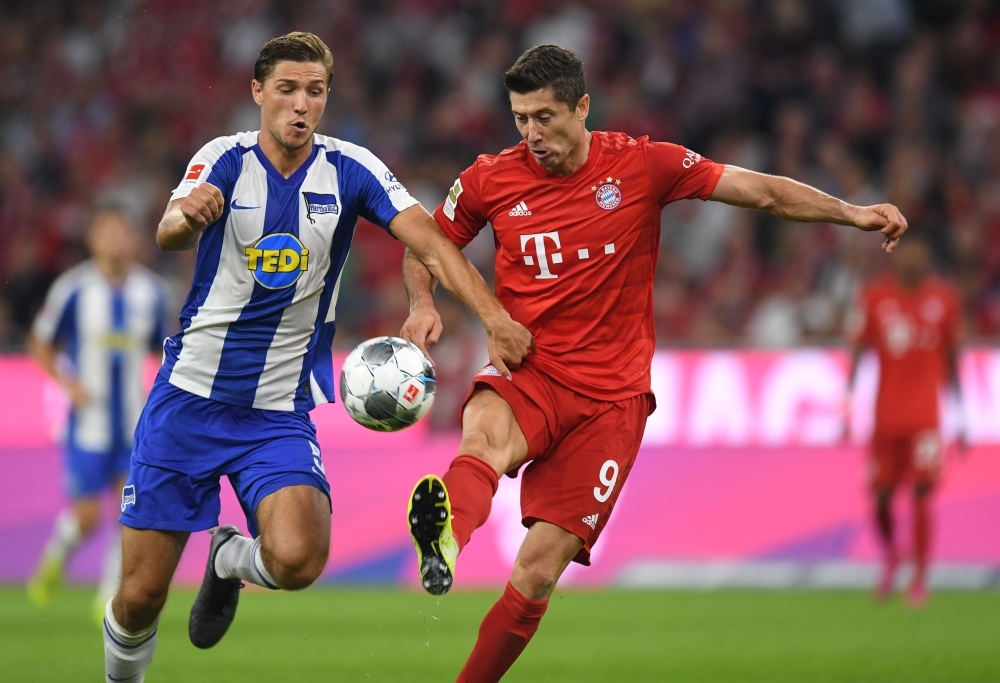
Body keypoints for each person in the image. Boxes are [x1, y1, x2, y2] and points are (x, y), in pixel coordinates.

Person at [400, 44, 907, 683]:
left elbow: (763, 193)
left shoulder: (643, 165)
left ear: (583, 107)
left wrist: (851, 212)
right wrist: (423, 299)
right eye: (521, 118)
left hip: (613, 402)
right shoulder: (488, 178)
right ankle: (446, 536)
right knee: (483, 437)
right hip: (529, 367)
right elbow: (423, 243)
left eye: (546, 117)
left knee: (534, 575)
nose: (532, 135)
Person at [102, 32, 531, 683]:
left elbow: (432, 239)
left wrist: (492, 315)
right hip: (188, 401)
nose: (301, 104)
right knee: (139, 598)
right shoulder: (223, 158)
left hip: (277, 413)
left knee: (300, 557)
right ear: (258, 92)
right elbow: (166, 232)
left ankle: (228, 562)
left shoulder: (351, 168)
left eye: (315, 91)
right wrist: (188, 217)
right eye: (287, 89)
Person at [26, 207, 166, 626]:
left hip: (132, 424)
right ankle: (55, 557)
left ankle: (107, 598)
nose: (115, 240)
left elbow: (164, 349)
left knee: (129, 513)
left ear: (133, 240)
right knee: (88, 517)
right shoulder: (73, 289)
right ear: (92, 239)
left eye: (123, 232)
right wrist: (68, 385)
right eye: (107, 232)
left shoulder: (152, 291)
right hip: (87, 423)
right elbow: (40, 342)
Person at [845, 236, 964, 607]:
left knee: (922, 495)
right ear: (896, 259)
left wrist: (963, 416)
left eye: (921, 254)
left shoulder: (944, 300)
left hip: (926, 419)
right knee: (880, 499)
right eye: (908, 254)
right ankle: (893, 556)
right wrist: (847, 402)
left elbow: (953, 359)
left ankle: (920, 576)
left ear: (928, 258)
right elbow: (859, 350)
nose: (915, 260)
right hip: (886, 418)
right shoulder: (875, 297)